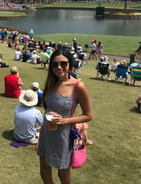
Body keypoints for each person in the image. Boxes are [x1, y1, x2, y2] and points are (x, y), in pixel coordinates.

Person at [37, 49, 92, 184]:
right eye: (55, 64)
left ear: (70, 64)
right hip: (46, 132)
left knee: (63, 173)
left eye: (63, 63)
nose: (59, 67)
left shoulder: (78, 86)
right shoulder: (51, 82)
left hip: (63, 136)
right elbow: (47, 106)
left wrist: (65, 120)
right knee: (44, 173)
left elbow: (88, 115)